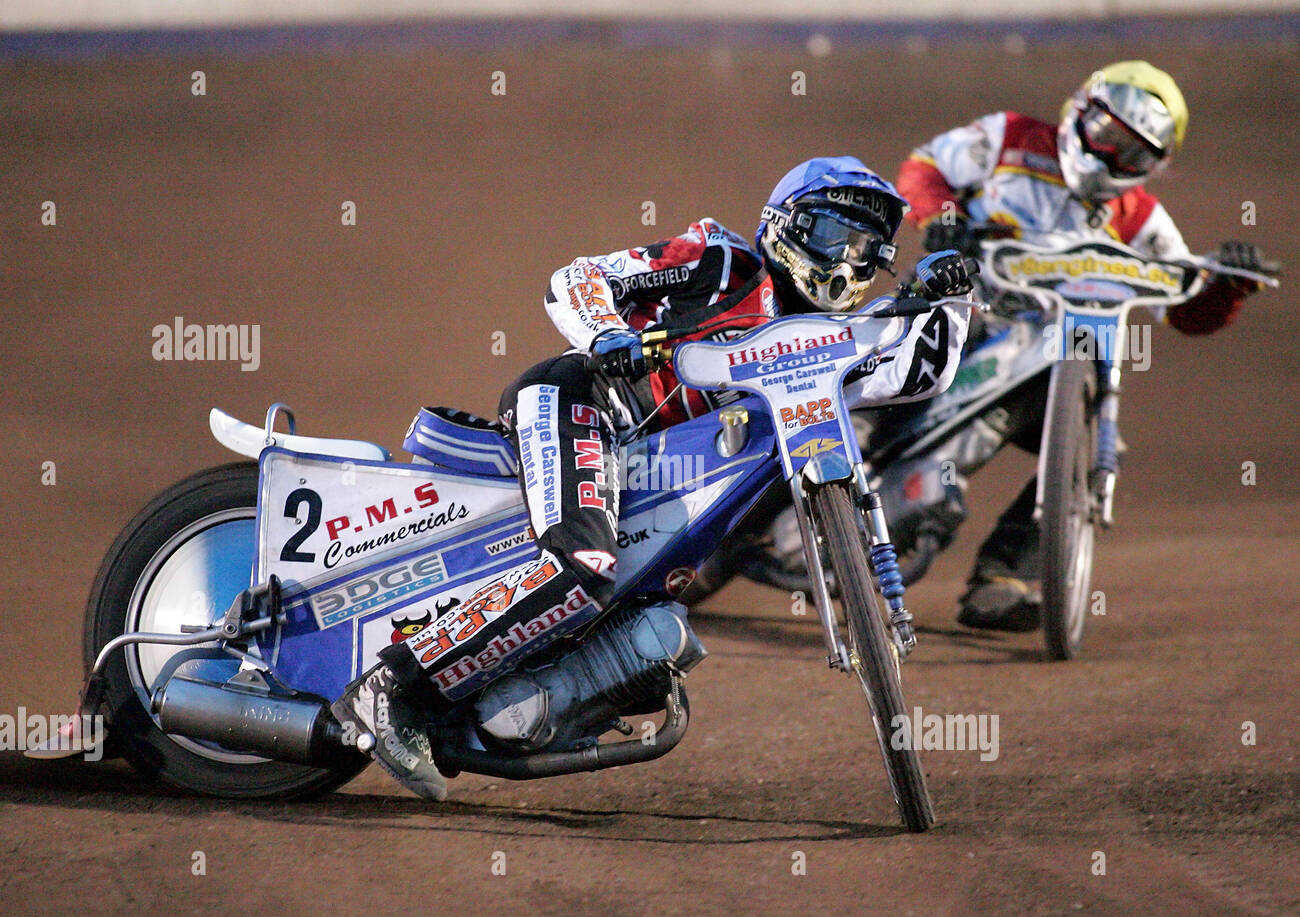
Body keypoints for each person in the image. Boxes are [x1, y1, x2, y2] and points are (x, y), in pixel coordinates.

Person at [332, 156, 977, 798]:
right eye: (838, 238)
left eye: (868, 252)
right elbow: (579, 277)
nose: (849, 263)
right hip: (584, 402)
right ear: (789, 224)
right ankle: (386, 688)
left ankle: (487, 714)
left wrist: (952, 297)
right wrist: (607, 333)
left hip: (652, 476)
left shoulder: (835, 342)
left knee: (653, 636)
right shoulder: (721, 260)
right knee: (583, 566)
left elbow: (917, 372)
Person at [895, 60, 1266, 631]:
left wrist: (1227, 286)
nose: (1110, 157)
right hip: (960, 312)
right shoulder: (1010, 137)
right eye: (1107, 135)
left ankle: (1006, 576)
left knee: (1089, 444)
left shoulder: (1141, 217)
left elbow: (1183, 308)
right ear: (1081, 110)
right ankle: (807, 468)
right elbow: (923, 167)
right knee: (891, 365)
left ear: (1154, 167)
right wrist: (940, 219)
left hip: (1043, 358)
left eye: (1133, 152)